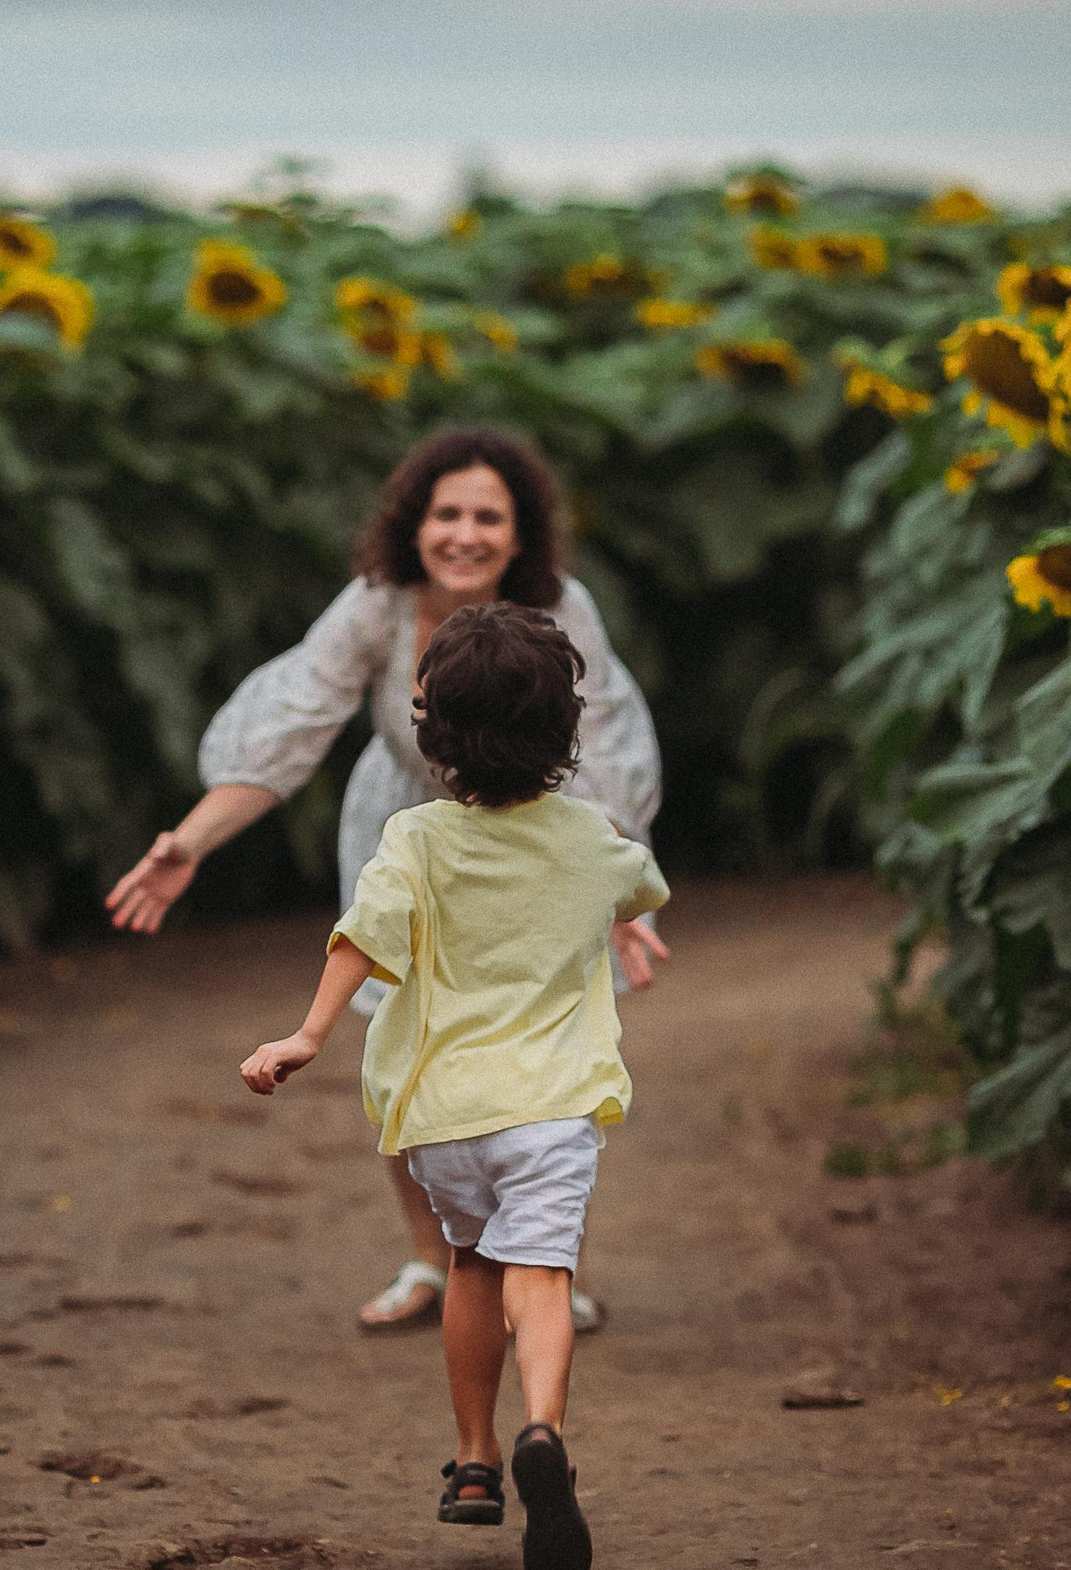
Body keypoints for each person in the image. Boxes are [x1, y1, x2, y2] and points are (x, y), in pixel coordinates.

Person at [106, 428, 665, 1332]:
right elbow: (292, 728)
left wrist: (616, 890)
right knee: (406, 1050)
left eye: (490, 517)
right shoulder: (378, 603)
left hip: (537, 838)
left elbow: (597, 750)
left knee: (546, 1052)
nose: (465, 534)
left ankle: (550, 1273)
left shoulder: (563, 606)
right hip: (407, 834)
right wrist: (190, 842)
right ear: (414, 523)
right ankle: (431, 1262)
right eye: (447, 513)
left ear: (521, 535)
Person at [239, 602, 668, 1570]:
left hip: (445, 1119)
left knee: (470, 1265)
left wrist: (307, 1035)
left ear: (433, 740)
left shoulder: (415, 839)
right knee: (542, 1277)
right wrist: (620, 915)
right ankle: (542, 1429)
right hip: (550, 1111)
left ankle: (475, 1460)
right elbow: (639, 886)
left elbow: (361, 939)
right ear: (565, 733)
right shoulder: (589, 836)